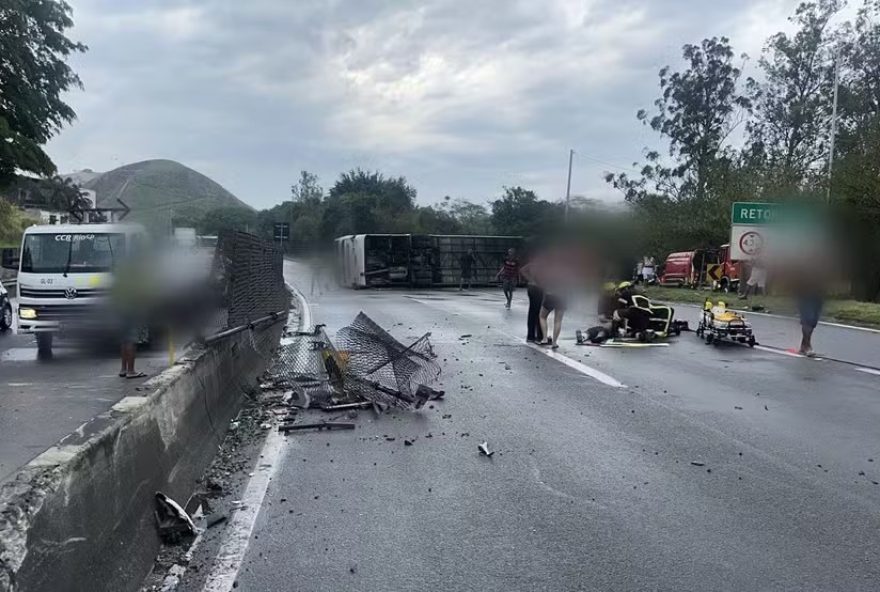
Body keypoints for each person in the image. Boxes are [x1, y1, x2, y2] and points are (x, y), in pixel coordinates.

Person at [519, 258, 544, 343]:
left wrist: (530, 279)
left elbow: (522, 270)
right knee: (539, 312)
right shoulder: (540, 265)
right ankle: (539, 335)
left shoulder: (532, 264)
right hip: (538, 288)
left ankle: (531, 335)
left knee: (533, 312)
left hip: (531, 288)